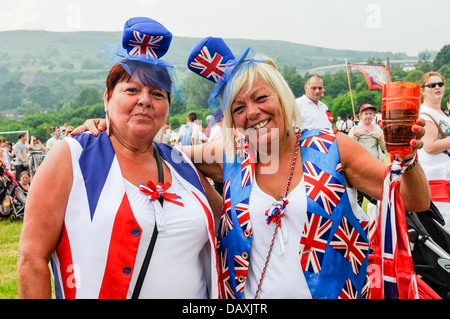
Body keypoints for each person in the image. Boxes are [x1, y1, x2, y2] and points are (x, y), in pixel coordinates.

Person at [77, 38, 430, 299]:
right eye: (239, 107)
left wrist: (409, 160)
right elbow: (156, 151)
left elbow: (412, 201)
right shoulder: (229, 155)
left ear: (282, 97)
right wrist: (107, 128)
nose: (253, 113)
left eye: (261, 98)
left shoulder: (333, 147)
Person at [18, 17, 221, 299]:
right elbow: (32, 258)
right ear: (107, 98)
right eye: (132, 90)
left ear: (166, 108)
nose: (145, 100)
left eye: (157, 93)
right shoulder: (73, 157)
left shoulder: (181, 164)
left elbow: (232, 221)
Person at [417, 72, 450, 233]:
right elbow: (429, 146)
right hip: (435, 177)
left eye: (440, 84)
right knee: (444, 225)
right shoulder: (425, 113)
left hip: (443, 176)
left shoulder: (439, 113)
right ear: (423, 91)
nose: (437, 87)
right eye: (432, 85)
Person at [348, 103, 386, 206]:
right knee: (356, 200)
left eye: (371, 113)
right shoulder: (354, 129)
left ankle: (377, 218)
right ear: (361, 115)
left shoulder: (378, 129)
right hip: (358, 169)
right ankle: (357, 220)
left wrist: (380, 138)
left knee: (377, 197)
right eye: (366, 114)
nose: (368, 116)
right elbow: (347, 147)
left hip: (375, 168)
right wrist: (356, 135)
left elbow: (385, 148)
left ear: (374, 116)